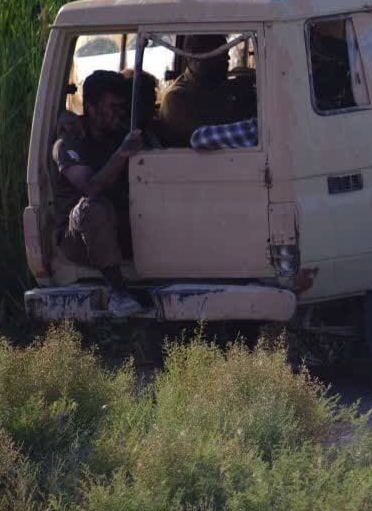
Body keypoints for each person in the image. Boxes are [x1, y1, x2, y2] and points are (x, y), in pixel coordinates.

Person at [51, 70, 146, 316]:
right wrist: (122, 154)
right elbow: (90, 188)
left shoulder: (116, 135)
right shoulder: (69, 143)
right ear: (91, 108)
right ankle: (117, 291)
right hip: (79, 237)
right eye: (113, 107)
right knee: (92, 208)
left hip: (117, 224)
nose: (120, 113)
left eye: (122, 106)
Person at [157, 34, 252, 146]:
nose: (227, 59)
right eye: (219, 53)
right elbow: (209, 142)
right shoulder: (176, 98)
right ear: (195, 57)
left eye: (226, 53)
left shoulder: (213, 86)